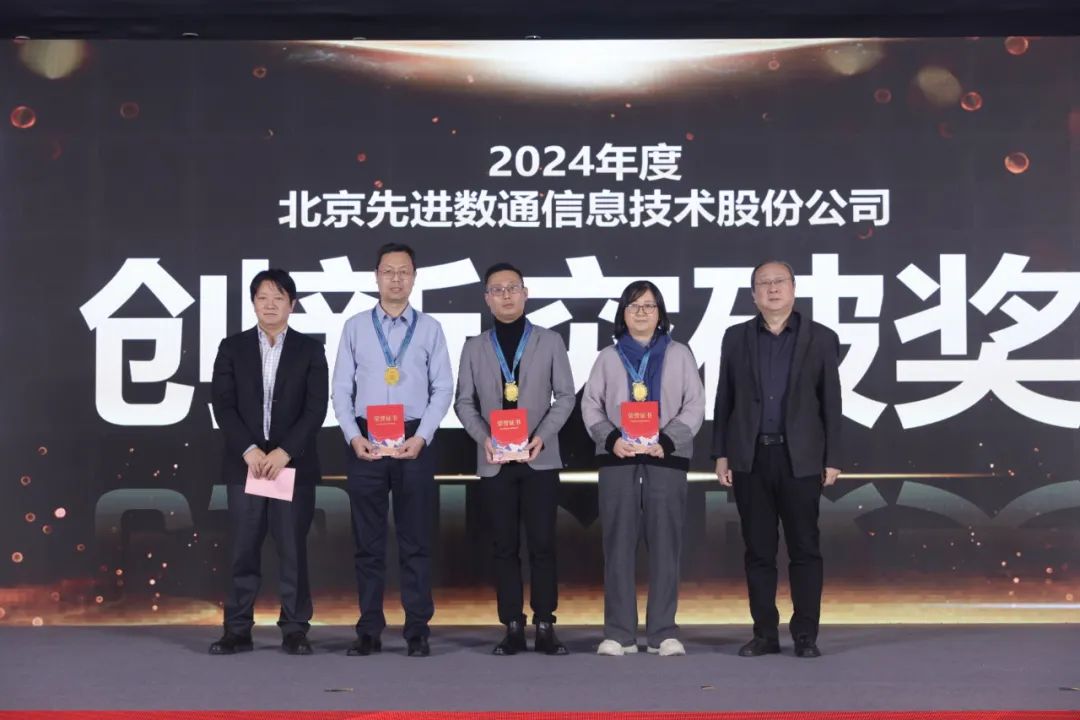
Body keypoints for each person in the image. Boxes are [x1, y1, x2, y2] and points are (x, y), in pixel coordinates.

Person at [711, 260, 843, 659]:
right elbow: (724, 400)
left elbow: (831, 403)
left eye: (779, 281)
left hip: (800, 458)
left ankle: (805, 635)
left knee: (805, 548)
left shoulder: (821, 338)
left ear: (793, 288)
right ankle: (765, 634)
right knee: (758, 551)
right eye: (763, 283)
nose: (772, 289)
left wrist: (833, 457)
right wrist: (721, 453)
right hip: (750, 458)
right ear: (753, 294)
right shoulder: (736, 337)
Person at [332, 242, 453, 658]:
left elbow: (443, 388)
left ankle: (417, 629)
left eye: (404, 272)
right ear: (376, 277)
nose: (396, 279)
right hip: (366, 440)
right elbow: (341, 388)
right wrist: (353, 436)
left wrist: (424, 437)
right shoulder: (355, 327)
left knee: (415, 540)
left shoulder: (430, 328)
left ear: (414, 277)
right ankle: (369, 629)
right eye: (388, 271)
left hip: (414, 439)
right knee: (367, 543)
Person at [454, 262, 576, 656]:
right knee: (503, 546)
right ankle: (511, 625)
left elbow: (566, 396)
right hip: (495, 460)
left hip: (539, 458)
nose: (506, 295)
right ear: (487, 299)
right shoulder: (474, 347)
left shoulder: (550, 341)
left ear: (525, 293)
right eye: (497, 289)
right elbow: (463, 401)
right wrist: (484, 438)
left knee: (543, 544)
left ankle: (545, 623)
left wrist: (541, 437)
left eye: (512, 288)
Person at [581, 280, 705, 657]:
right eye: (634, 306)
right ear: (623, 313)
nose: (641, 312)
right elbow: (591, 405)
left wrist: (666, 440)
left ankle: (662, 633)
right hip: (618, 459)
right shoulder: (607, 357)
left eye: (649, 306)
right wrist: (610, 439)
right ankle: (618, 634)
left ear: (660, 313)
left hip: (666, 458)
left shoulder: (680, 354)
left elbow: (694, 404)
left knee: (666, 546)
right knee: (617, 546)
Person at [209, 269, 328, 656]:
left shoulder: (310, 350)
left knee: (292, 549)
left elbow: (315, 409)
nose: (270, 305)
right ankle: (237, 629)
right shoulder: (232, 347)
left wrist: (283, 452)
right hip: (245, 465)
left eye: (279, 298)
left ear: (292, 304)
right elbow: (222, 404)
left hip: (291, 466)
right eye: (263, 298)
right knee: (243, 548)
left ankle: (295, 628)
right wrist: (250, 450)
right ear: (253, 303)